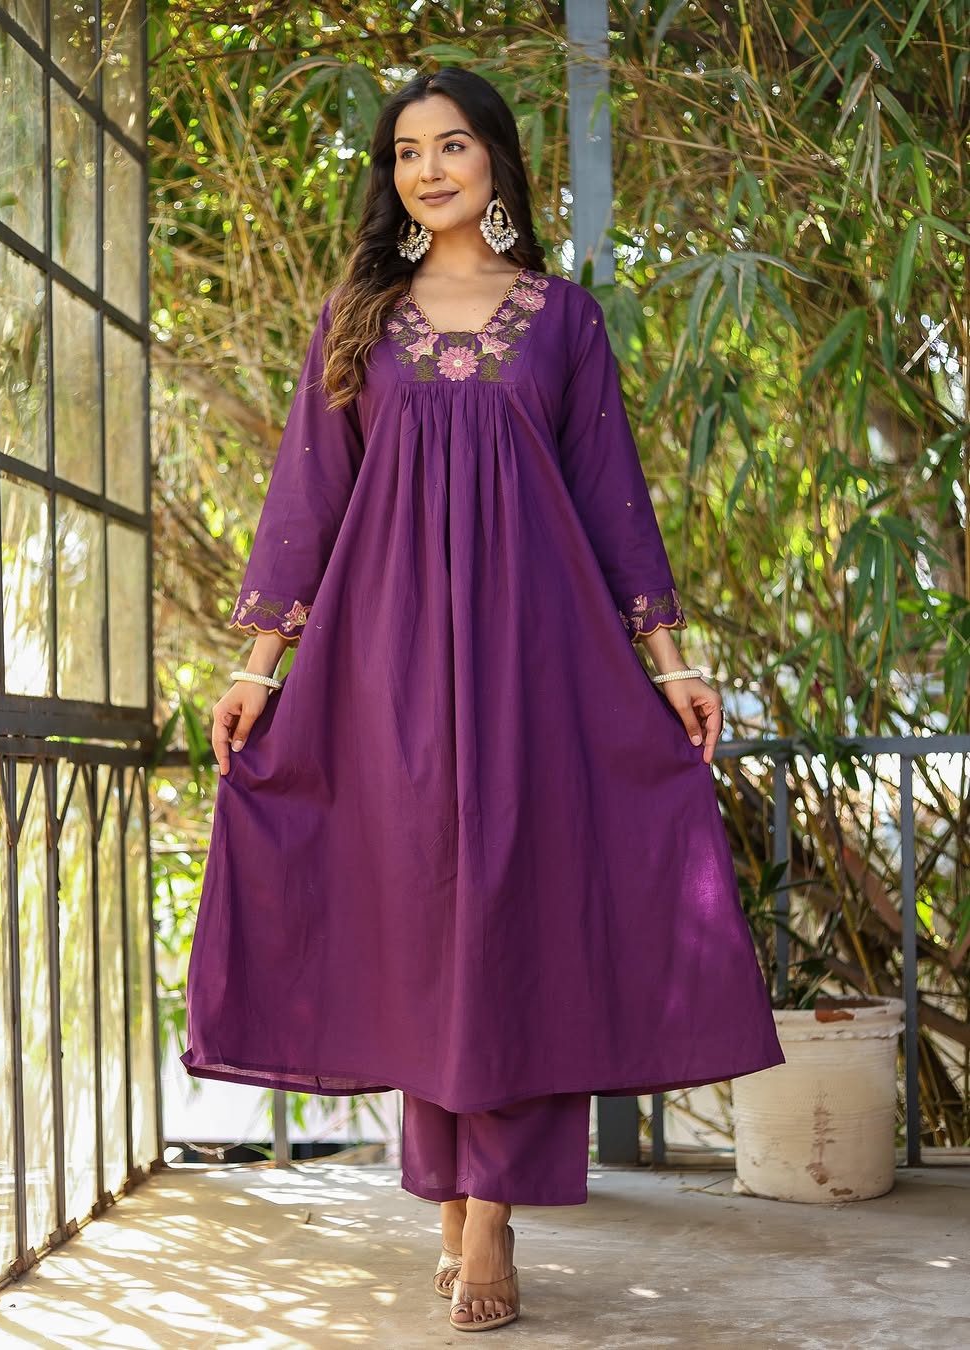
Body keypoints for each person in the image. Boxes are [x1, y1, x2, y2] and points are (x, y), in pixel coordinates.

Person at [181, 66, 784, 1335]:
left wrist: (670, 659)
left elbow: (615, 497)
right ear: (393, 177)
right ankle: (451, 1202)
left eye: (454, 145)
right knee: (425, 921)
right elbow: (309, 501)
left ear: (499, 163)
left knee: (513, 914)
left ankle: (493, 1218)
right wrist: (257, 670)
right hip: (382, 665)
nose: (430, 169)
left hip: (539, 657)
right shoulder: (360, 314)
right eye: (407, 152)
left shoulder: (562, 319)